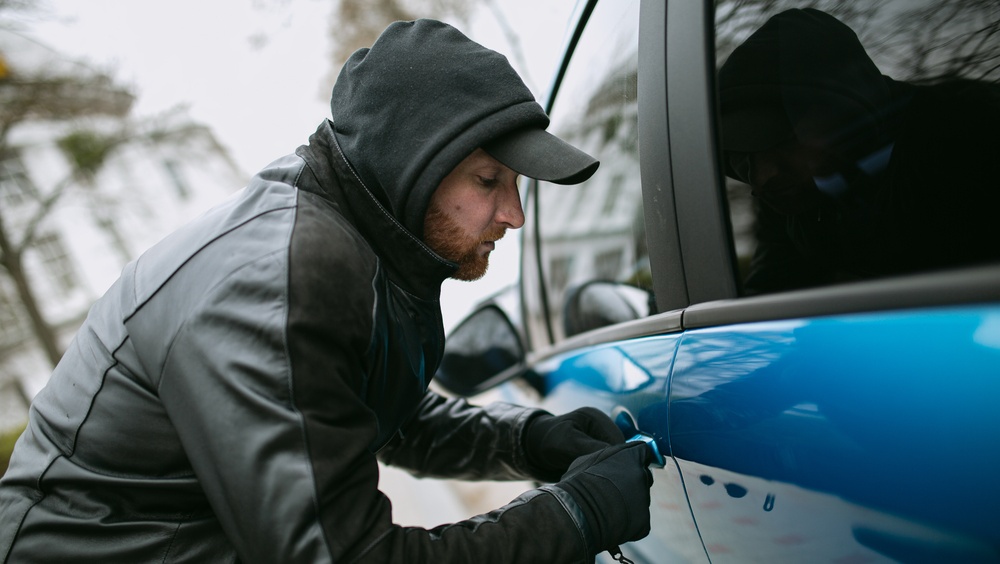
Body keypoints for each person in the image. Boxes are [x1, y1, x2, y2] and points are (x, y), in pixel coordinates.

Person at [0, 20, 653, 563]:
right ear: (412, 167)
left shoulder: (354, 244)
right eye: (488, 181)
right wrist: (575, 516)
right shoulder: (274, 285)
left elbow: (372, 411)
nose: (515, 215)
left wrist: (530, 441)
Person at [719, 8, 1000, 295]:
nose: (761, 180)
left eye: (779, 143)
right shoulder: (791, 200)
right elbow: (772, 296)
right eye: (745, 163)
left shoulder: (972, 130)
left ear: (841, 106)